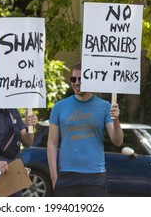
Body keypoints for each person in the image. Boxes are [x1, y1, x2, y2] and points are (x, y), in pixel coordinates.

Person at [47, 61, 123, 197]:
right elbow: (52, 143)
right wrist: (54, 176)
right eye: (73, 79)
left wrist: (116, 120)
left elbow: (117, 141)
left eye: (81, 79)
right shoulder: (59, 107)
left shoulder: (105, 106)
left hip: (95, 175)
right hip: (66, 175)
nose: (76, 82)